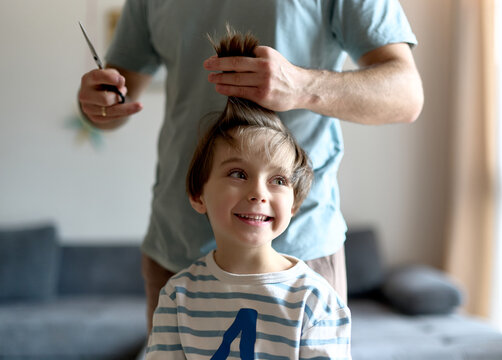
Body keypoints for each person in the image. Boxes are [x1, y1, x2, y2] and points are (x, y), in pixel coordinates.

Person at [77, 0, 423, 332]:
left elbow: (406, 96)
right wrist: (98, 105)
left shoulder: (311, 293)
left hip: (299, 254)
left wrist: (302, 87)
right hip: (177, 250)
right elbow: (117, 98)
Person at [145, 31, 351, 360]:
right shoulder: (177, 297)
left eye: (278, 180)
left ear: (295, 204)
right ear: (198, 194)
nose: (258, 193)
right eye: (238, 174)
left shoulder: (315, 300)